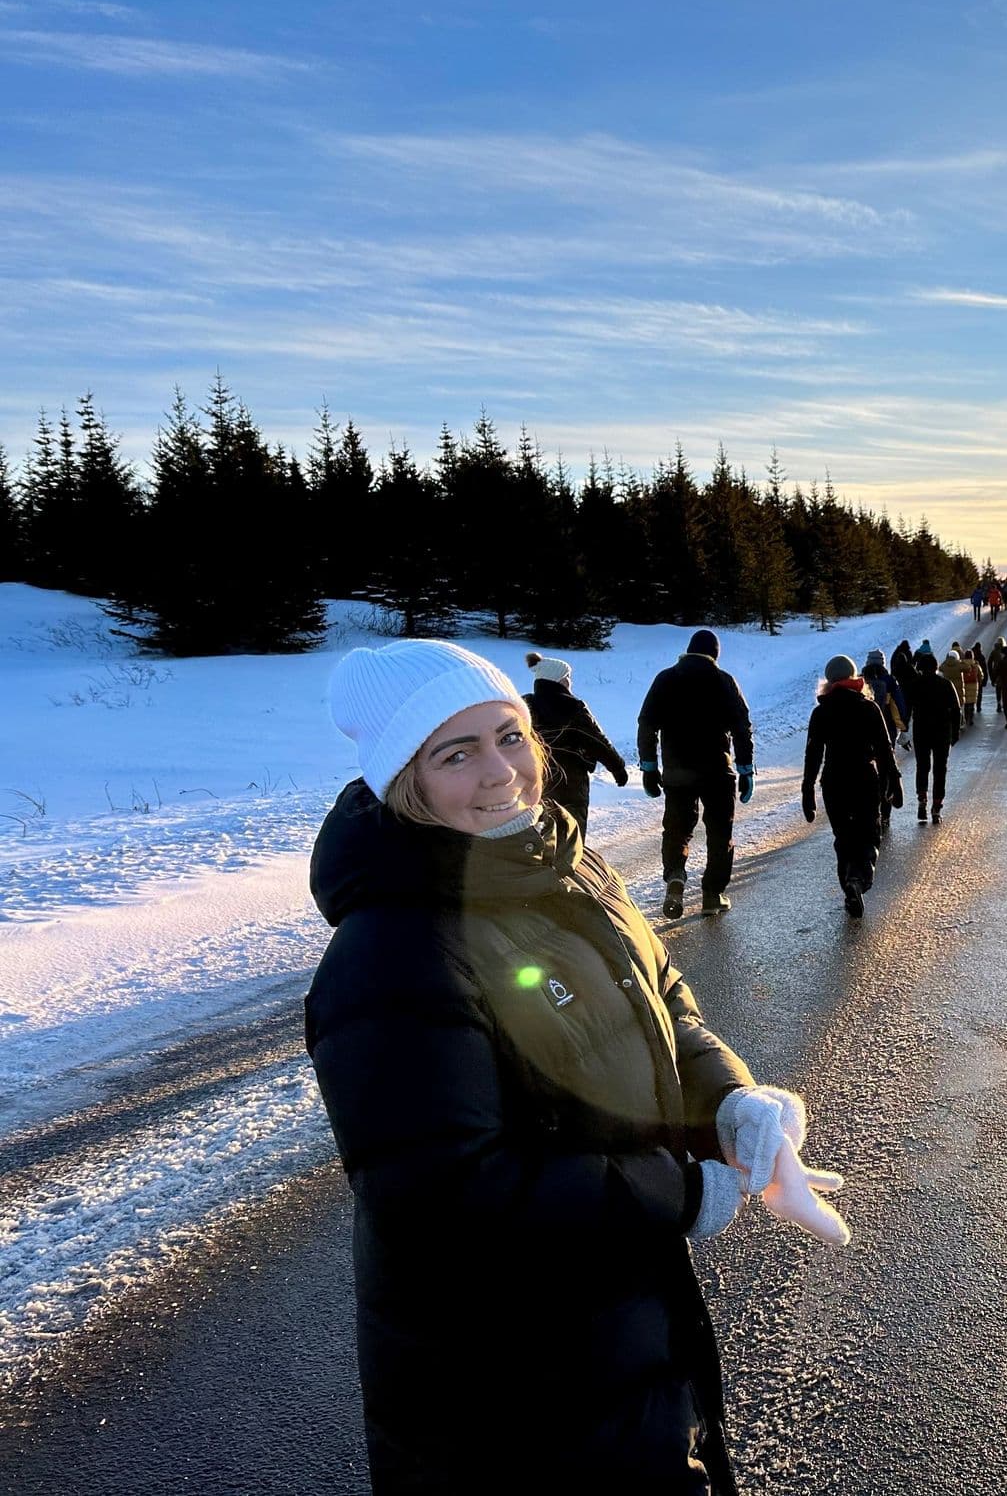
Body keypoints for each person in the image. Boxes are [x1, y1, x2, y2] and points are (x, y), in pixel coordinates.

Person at [308, 638, 848, 1492]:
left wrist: (729, 1102)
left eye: (511, 735)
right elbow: (442, 1199)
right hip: (507, 1394)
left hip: (619, 1328)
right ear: (402, 778)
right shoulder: (393, 951)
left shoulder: (565, 862)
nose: (502, 773)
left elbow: (662, 1002)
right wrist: (677, 1188)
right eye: (457, 752)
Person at [637, 628, 754, 919]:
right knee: (719, 831)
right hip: (717, 770)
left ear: (688, 651)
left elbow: (647, 724)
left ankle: (675, 875)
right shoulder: (724, 681)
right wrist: (745, 769)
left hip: (677, 772)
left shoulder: (666, 679)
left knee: (677, 828)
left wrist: (649, 767)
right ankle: (712, 895)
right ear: (715, 654)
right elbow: (742, 727)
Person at [801, 655, 900, 918]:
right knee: (868, 834)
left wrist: (807, 790)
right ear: (854, 677)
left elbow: (813, 755)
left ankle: (848, 887)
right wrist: (894, 781)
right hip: (865, 779)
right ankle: (859, 880)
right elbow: (884, 750)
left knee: (844, 837)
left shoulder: (821, 712)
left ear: (829, 681)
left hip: (834, 781)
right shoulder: (869, 708)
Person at [521, 651, 627, 840]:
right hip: (571, 781)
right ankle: (570, 867)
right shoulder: (572, 706)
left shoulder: (524, 706)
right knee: (571, 830)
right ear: (558, 680)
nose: (570, 682)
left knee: (540, 828)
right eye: (567, 677)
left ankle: (541, 866)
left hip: (535, 778)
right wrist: (617, 767)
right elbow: (595, 740)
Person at [905, 646, 962, 824]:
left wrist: (904, 729)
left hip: (921, 731)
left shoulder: (915, 685)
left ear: (920, 668)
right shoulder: (946, 685)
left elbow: (906, 708)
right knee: (940, 769)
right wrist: (955, 732)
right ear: (936, 666)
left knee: (922, 766)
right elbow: (956, 710)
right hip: (942, 732)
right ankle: (937, 806)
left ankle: (922, 797)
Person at [860, 648, 905, 825]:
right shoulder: (890, 681)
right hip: (887, 730)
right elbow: (899, 704)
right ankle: (885, 813)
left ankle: (869, 809)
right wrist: (904, 726)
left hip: (864, 732)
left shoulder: (860, 680)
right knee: (885, 768)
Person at [889, 640, 917, 745]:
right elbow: (916, 677)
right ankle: (904, 734)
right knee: (908, 712)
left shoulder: (895, 662)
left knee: (900, 712)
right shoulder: (909, 668)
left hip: (899, 692)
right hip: (909, 693)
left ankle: (903, 732)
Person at [958, 645, 983, 728]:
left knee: (965, 702)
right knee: (972, 703)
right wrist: (979, 682)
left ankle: (965, 718)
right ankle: (971, 718)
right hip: (974, 685)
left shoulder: (962, 664)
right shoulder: (975, 664)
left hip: (964, 684)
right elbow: (980, 675)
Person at [968, 642, 989, 715]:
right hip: (978, 678)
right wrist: (985, 679)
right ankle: (978, 706)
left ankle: (972, 707)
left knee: (971, 693)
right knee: (979, 693)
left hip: (970, 678)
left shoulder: (970, 655)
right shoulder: (981, 657)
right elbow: (984, 669)